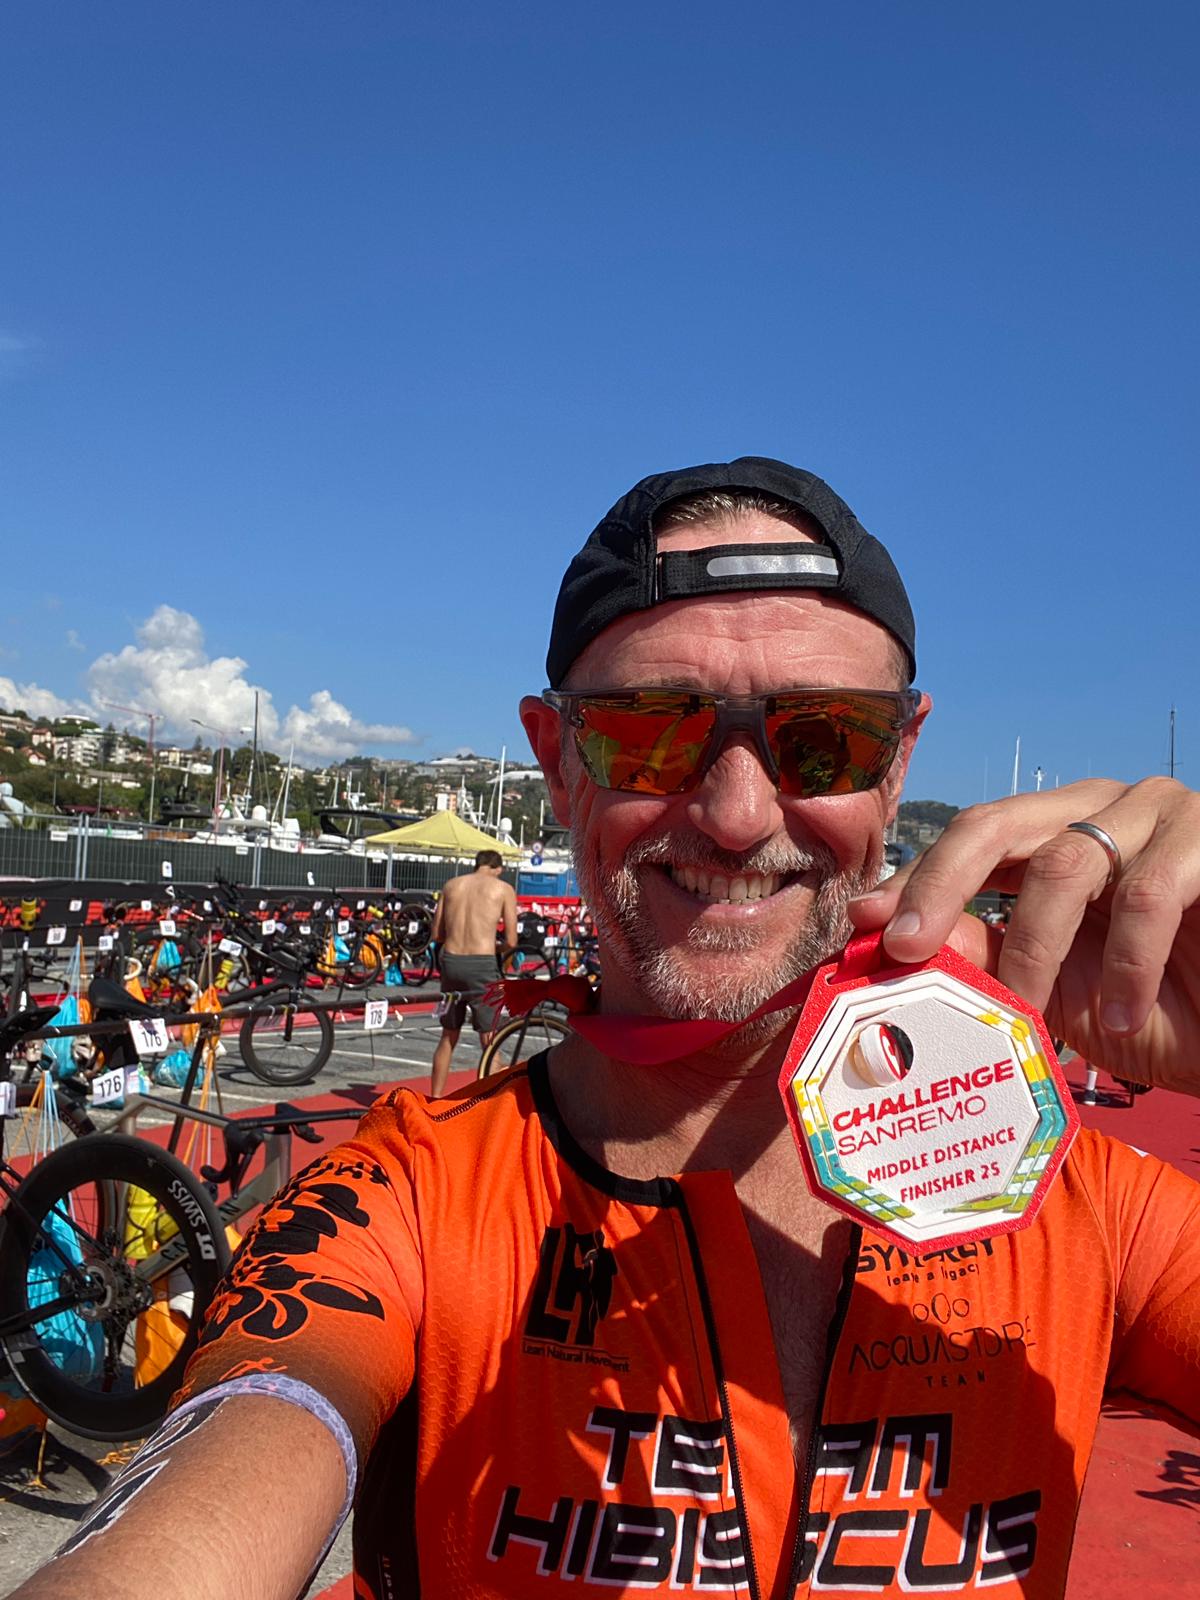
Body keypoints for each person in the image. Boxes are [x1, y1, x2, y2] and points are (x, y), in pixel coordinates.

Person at [19, 457, 1200, 1600]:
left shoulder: (1077, 1197)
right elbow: (242, 1442)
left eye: (825, 737)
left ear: (897, 765)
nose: (738, 814)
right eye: (650, 731)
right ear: (556, 761)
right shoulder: (409, 1200)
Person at [428, 848, 519, 1095]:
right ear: (498, 868)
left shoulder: (451, 885)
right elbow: (512, 940)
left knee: (448, 1035)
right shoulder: (503, 889)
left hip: (451, 961)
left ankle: (435, 1097)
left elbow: (437, 934)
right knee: (489, 1038)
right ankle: (491, 1099)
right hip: (482, 963)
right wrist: (494, 947)